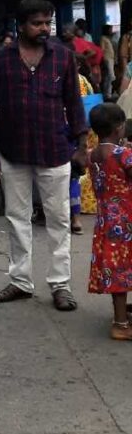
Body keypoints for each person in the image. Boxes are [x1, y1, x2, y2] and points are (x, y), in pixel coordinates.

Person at [0, 0, 87, 311]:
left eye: (47, 23)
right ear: (21, 25)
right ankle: (20, 282)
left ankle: (60, 285)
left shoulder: (63, 58)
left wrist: (82, 147)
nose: (43, 28)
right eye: (37, 23)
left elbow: (74, 104)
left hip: (55, 149)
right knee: (17, 218)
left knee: (58, 219)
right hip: (13, 151)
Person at [86, 102, 132, 341]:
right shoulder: (123, 154)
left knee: (116, 270)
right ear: (118, 127)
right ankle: (121, 324)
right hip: (125, 221)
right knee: (123, 270)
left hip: (105, 221)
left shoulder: (92, 155)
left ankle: (122, 315)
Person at [101, 24, 116, 98]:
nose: (111, 31)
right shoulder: (103, 38)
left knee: (108, 77)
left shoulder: (108, 38)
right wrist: (103, 60)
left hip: (111, 59)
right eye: (110, 29)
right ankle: (108, 94)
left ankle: (106, 94)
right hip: (107, 59)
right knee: (111, 76)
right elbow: (102, 50)